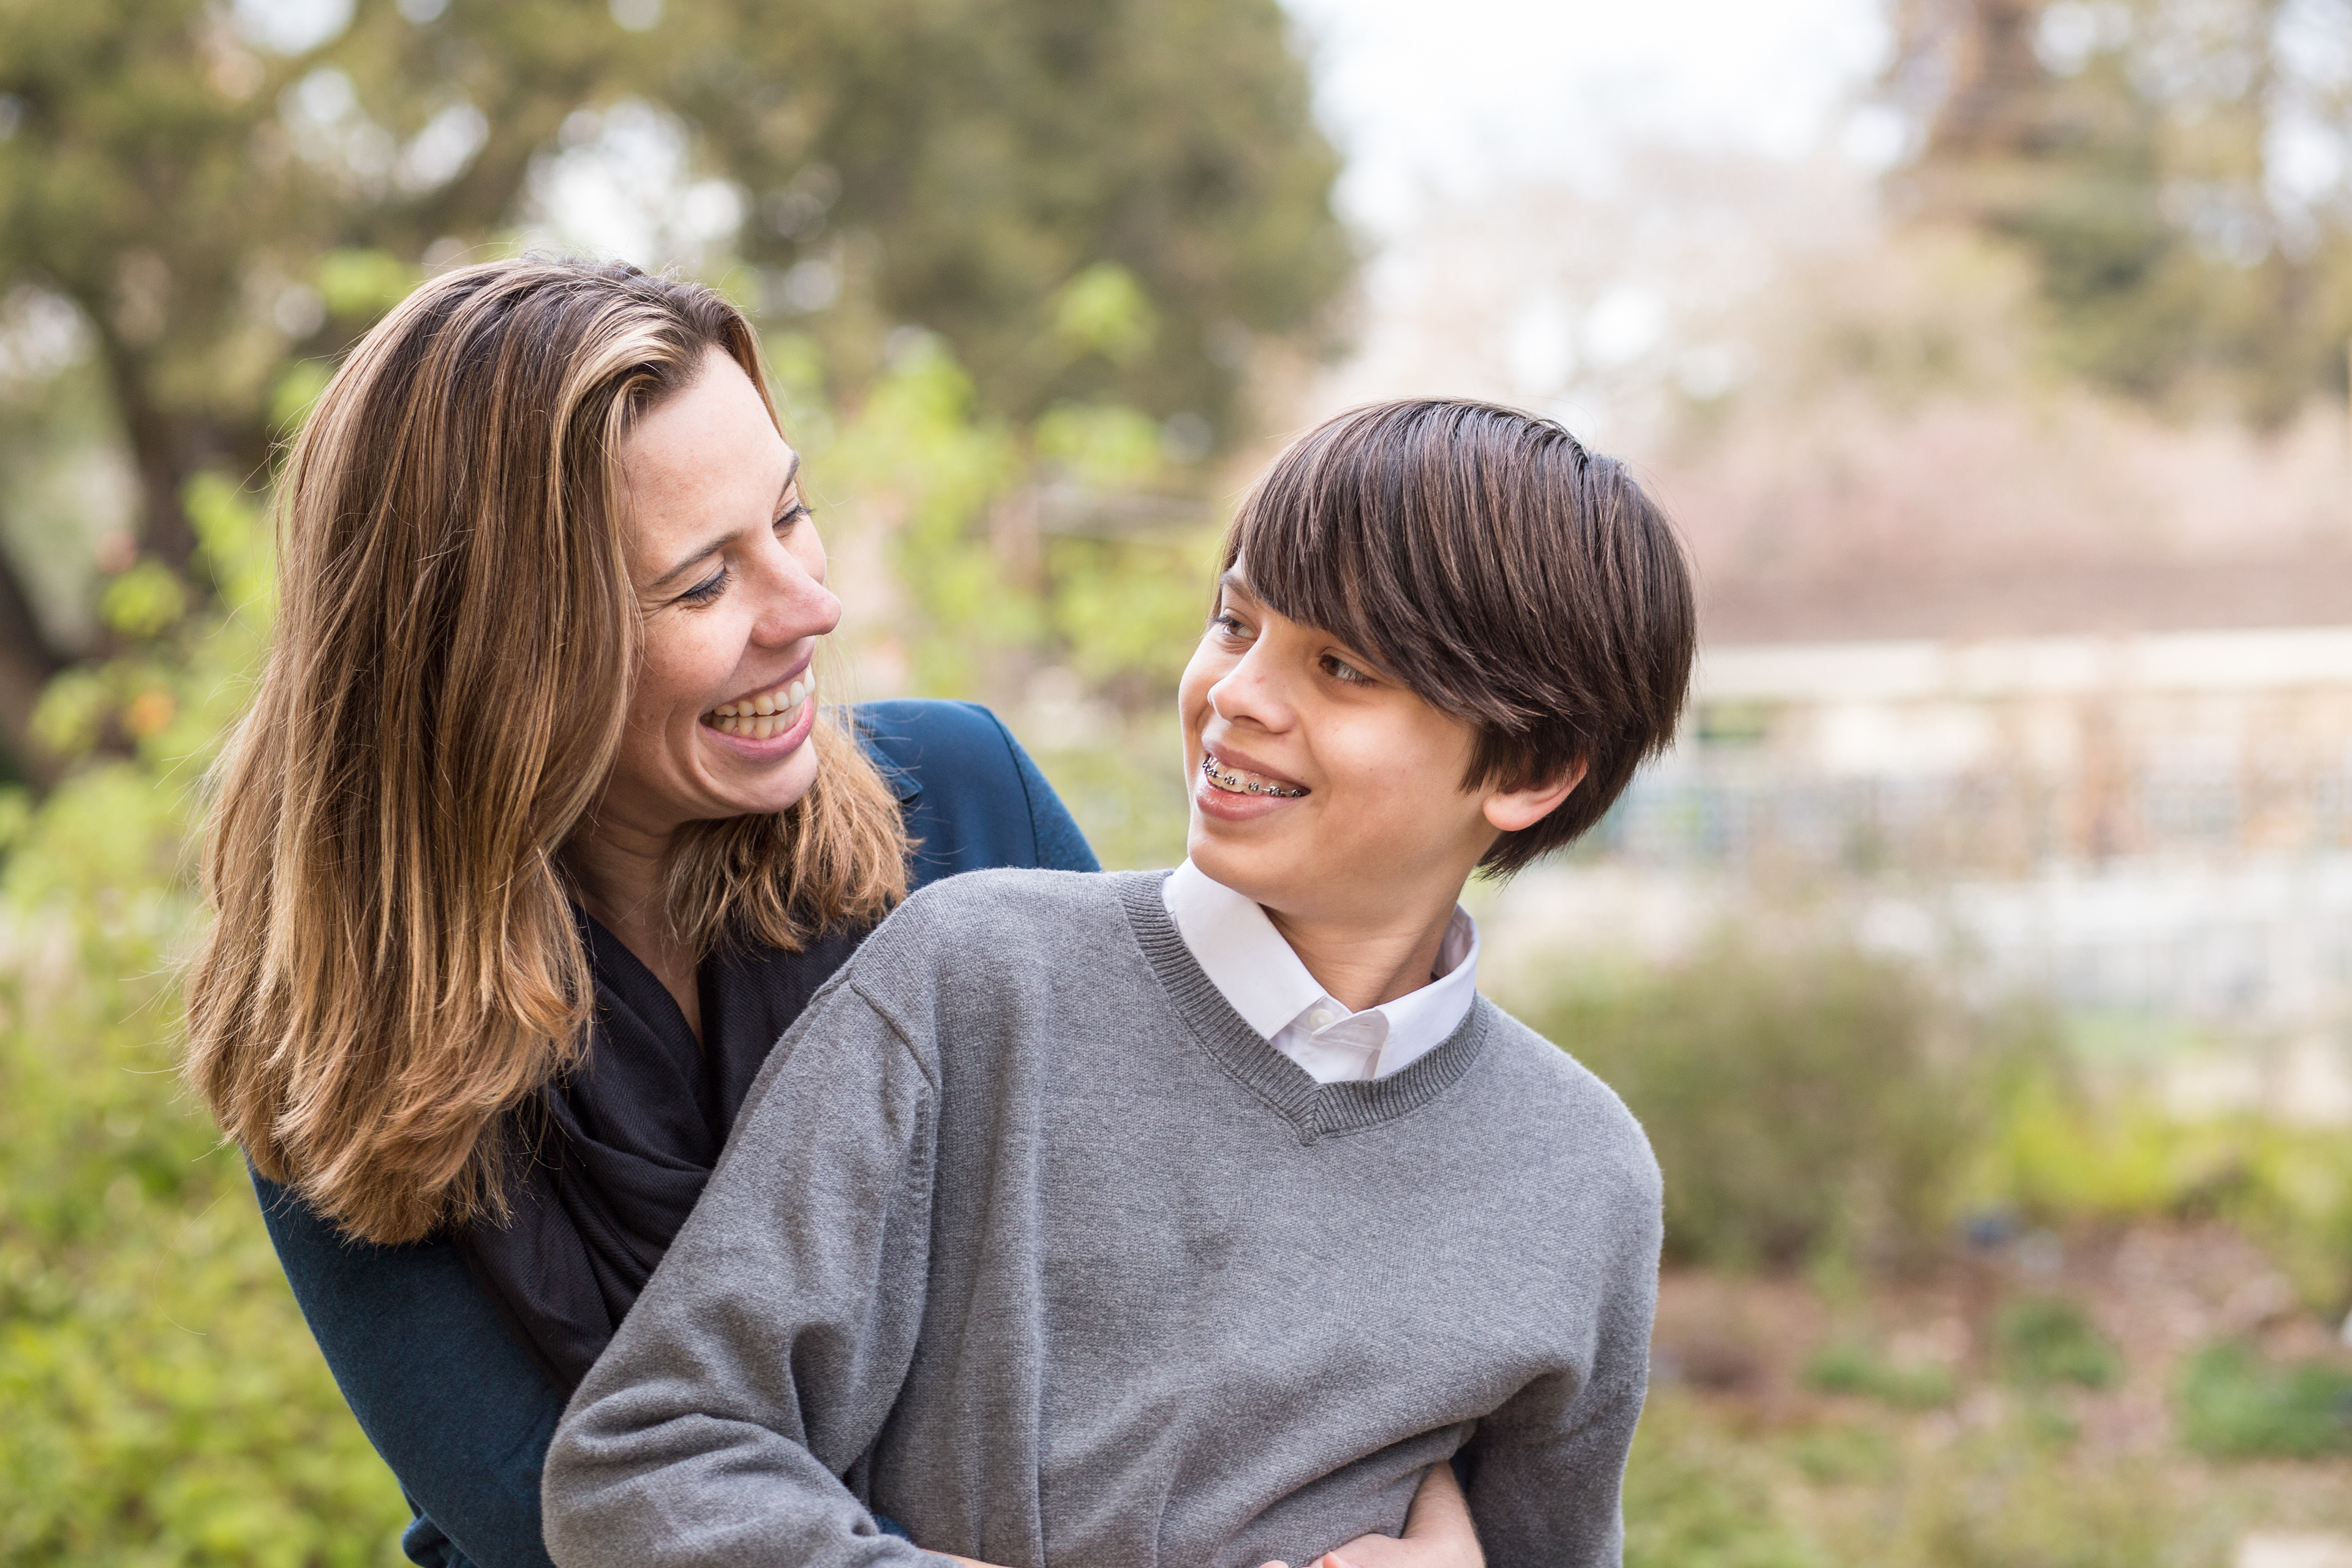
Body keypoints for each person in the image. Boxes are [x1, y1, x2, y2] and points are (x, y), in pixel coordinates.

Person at [181, 261, 1484, 1568]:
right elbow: (548, 1523)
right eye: (704, 583)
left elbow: (1248, 1257)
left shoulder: (965, 808)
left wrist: (1431, 1516)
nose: (813, 607)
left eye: (791, 516)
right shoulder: (341, 1034)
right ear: (503, 657)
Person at [541, 398, 1698, 1568]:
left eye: (1342, 668)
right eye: (1236, 622)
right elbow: (646, 1462)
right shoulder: (973, 983)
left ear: (1532, 770)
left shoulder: (1584, 1175)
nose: (1237, 693)